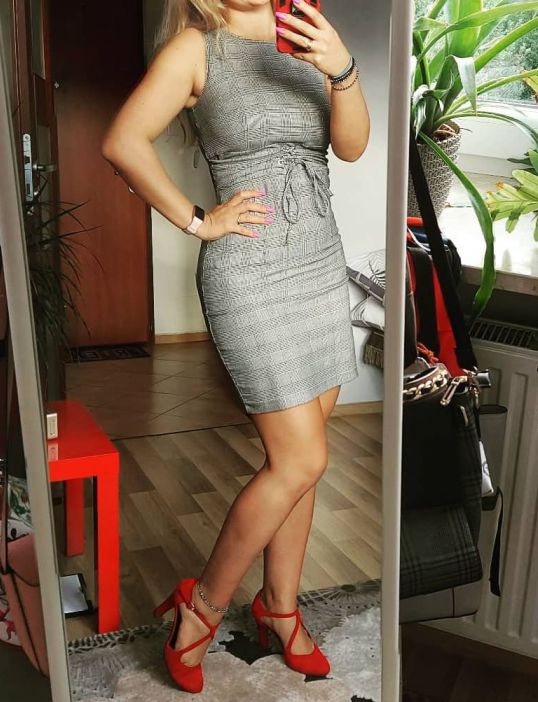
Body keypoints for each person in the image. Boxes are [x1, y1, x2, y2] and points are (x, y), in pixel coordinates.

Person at [101, 0, 369, 693]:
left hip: (319, 263)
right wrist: (197, 220)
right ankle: (201, 608)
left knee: (302, 462)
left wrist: (341, 67)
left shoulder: (306, 36)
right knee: (301, 457)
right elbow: (123, 140)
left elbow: (351, 147)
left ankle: (280, 608)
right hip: (249, 272)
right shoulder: (196, 48)